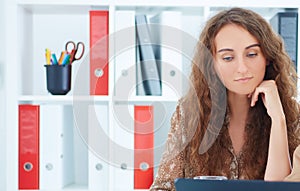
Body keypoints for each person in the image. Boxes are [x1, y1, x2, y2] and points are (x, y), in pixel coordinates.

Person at [150, 7, 300, 191]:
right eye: (228, 58)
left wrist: (279, 120)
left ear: (267, 56)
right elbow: (163, 187)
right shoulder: (190, 112)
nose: (242, 68)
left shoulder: (293, 115)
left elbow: (281, 189)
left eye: (252, 54)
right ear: (212, 63)